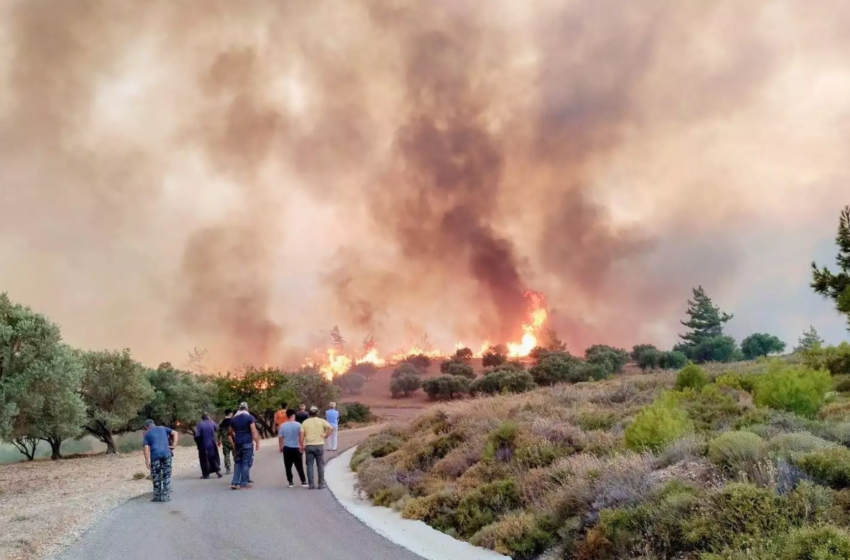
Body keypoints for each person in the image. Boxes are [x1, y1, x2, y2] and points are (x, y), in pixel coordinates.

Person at [142, 419, 178, 502]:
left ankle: (157, 496)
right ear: (154, 424)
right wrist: (174, 444)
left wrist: (147, 460)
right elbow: (175, 433)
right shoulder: (162, 428)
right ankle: (165, 496)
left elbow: (146, 447)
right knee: (166, 475)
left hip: (155, 456)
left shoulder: (147, 433)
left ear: (146, 427)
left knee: (156, 476)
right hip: (167, 454)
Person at [228, 402, 260, 490]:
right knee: (246, 463)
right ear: (247, 408)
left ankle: (234, 483)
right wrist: (257, 442)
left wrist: (234, 441)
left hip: (238, 443)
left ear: (239, 408)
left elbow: (229, 432)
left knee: (238, 463)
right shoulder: (250, 417)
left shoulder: (233, 419)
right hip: (247, 443)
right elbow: (253, 432)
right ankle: (243, 484)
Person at [301, 406, 334, 489]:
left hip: (309, 445)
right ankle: (321, 483)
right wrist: (326, 436)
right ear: (317, 413)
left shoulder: (305, 422)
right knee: (320, 465)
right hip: (319, 444)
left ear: (309, 414)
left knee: (309, 465)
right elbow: (331, 428)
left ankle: (311, 484)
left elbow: (301, 434)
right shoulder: (322, 421)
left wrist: (301, 444)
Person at [278, 408, 307, 488]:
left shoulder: (283, 426)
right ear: (293, 415)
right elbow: (301, 436)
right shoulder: (298, 425)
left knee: (288, 466)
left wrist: (281, 447)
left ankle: (290, 482)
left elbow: (281, 437)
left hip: (287, 447)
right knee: (299, 465)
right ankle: (303, 481)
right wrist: (302, 445)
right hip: (296, 447)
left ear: (287, 416)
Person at [194, 413, 222, 479]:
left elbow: (197, 435)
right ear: (208, 417)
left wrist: (198, 443)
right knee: (214, 457)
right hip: (212, 443)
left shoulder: (200, 424)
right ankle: (217, 471)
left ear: (202, 418)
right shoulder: (212, 422)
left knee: (205, 459)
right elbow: (217, 429)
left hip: (204, 444)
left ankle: (206, 474)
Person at [218, 409, 234, 475]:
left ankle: (228, 468)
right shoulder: (233, 421)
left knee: (226, 455)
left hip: (225, 441)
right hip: (233, 440)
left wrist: (219, 440)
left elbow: (219, 433)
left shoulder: (221, 422)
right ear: (230, 413)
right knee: (235, 454)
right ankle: (237, 467)